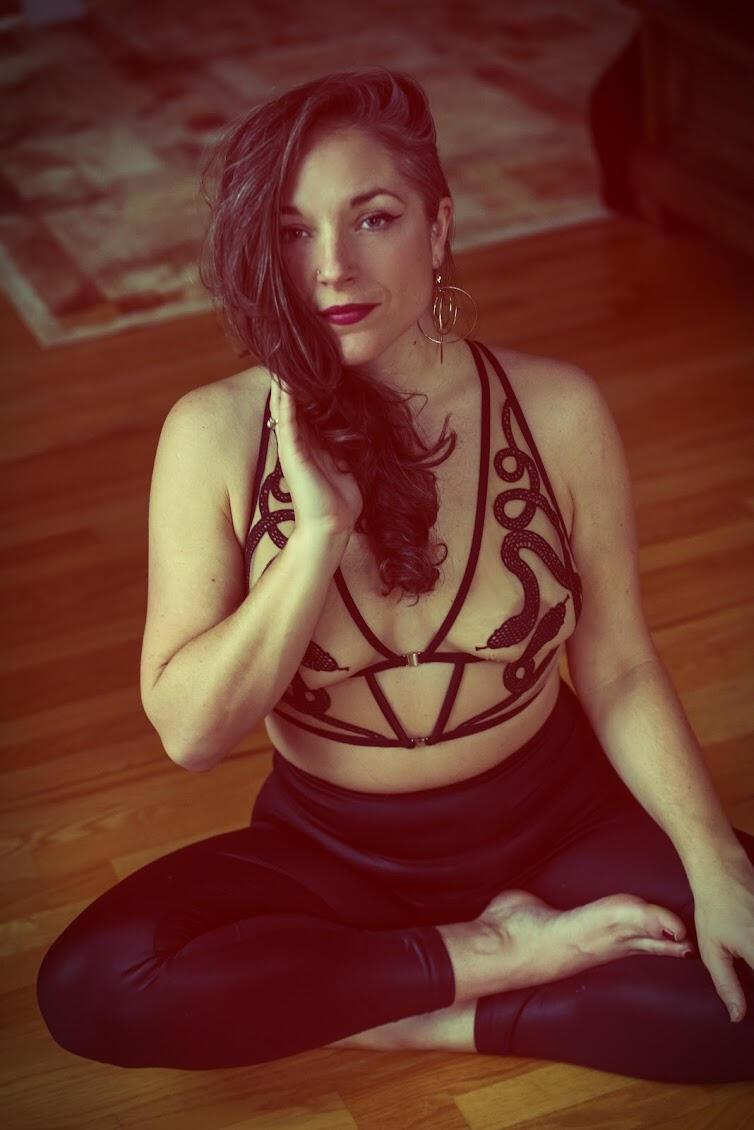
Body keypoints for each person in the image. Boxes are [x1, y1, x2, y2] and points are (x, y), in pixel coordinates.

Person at [36, 69, 754, 1081]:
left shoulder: (558, 410)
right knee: (96, 984)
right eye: (292, 232)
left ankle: (392, 1007)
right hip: (336, 857)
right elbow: (192, 734)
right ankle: (487, 961)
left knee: (744, 985)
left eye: (373, 218)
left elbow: (621, 665)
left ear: (439, 227)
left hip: (559, 820)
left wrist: (714, 861)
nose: (333, 267)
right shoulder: (213, 434)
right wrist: (316, 533)